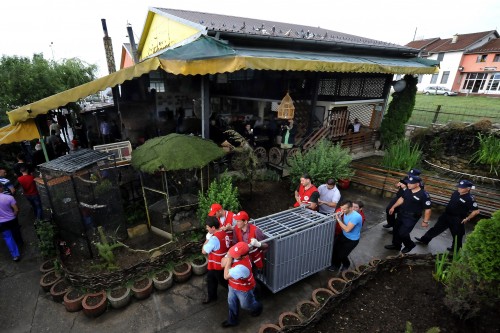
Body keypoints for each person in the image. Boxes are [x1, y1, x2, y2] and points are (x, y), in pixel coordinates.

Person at [415, 180, 479, 251]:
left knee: (457, 234)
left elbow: (476, 211)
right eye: (459, 187)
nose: (459, 188)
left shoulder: (470, 199)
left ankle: (455, 249)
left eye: (462, 187)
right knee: (436, 228)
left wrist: (467, 218)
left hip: (457, 219)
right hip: (446, 215)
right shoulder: (455, 193)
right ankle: (424, 240)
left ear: (468, 188)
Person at [385, 176, 432, 254]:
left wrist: (425, 221)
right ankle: (396, 245)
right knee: (396, 230)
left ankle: (409, 245)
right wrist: (393, 207)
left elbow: (428, 209)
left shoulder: (424, 194)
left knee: (403, 233)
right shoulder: (407, 190)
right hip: (401, 213)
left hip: (411, 217)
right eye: (408, 183)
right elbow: (402, 199)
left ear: (417, 184)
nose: (408, 184)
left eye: (411, 183)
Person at [221, 242, 263, 328]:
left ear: (243, 256)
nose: (232, 254)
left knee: (246, 305)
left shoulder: (242, 267)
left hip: (244, 289)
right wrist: (231, 255)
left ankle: (258, 307)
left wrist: (229, 259)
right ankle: (232, 320)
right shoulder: (238, 254)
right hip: (232, 285)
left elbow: (226, 276)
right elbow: (222, 263)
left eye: (235, 254)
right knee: (231, 302)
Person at [202, 216, 230, 304]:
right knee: (210, 278)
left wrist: (207, 239)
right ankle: (212, 296)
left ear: (213, 228)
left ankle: (237, 292)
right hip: (222, 263)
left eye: (207, 227)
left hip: (217, 266)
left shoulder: (214, 239)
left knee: (224, 282)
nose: (206, 229)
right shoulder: (224, 233)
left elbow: (204, 251)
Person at [328, 200, 363, 272]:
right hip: (343, 235)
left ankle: (346, 264)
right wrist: (340, 217)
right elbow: (344, 225)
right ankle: (335, 265)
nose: (342, 210)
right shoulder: (345, 212)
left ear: (350, 208)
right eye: (341, 208)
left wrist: (338, 219)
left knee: (342, 255)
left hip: (352, 240)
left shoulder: (356, 217)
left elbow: (347, 229)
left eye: (344, 209)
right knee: (335, 249)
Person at [0, 184, 21, 261]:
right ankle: (20, 243)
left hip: (2, 222)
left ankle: (15, 255)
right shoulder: (9, 197)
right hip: (12, 219)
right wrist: (14, 215)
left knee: (8, 237)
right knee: (16, 232)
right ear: (1, 188)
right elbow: (16, 209)